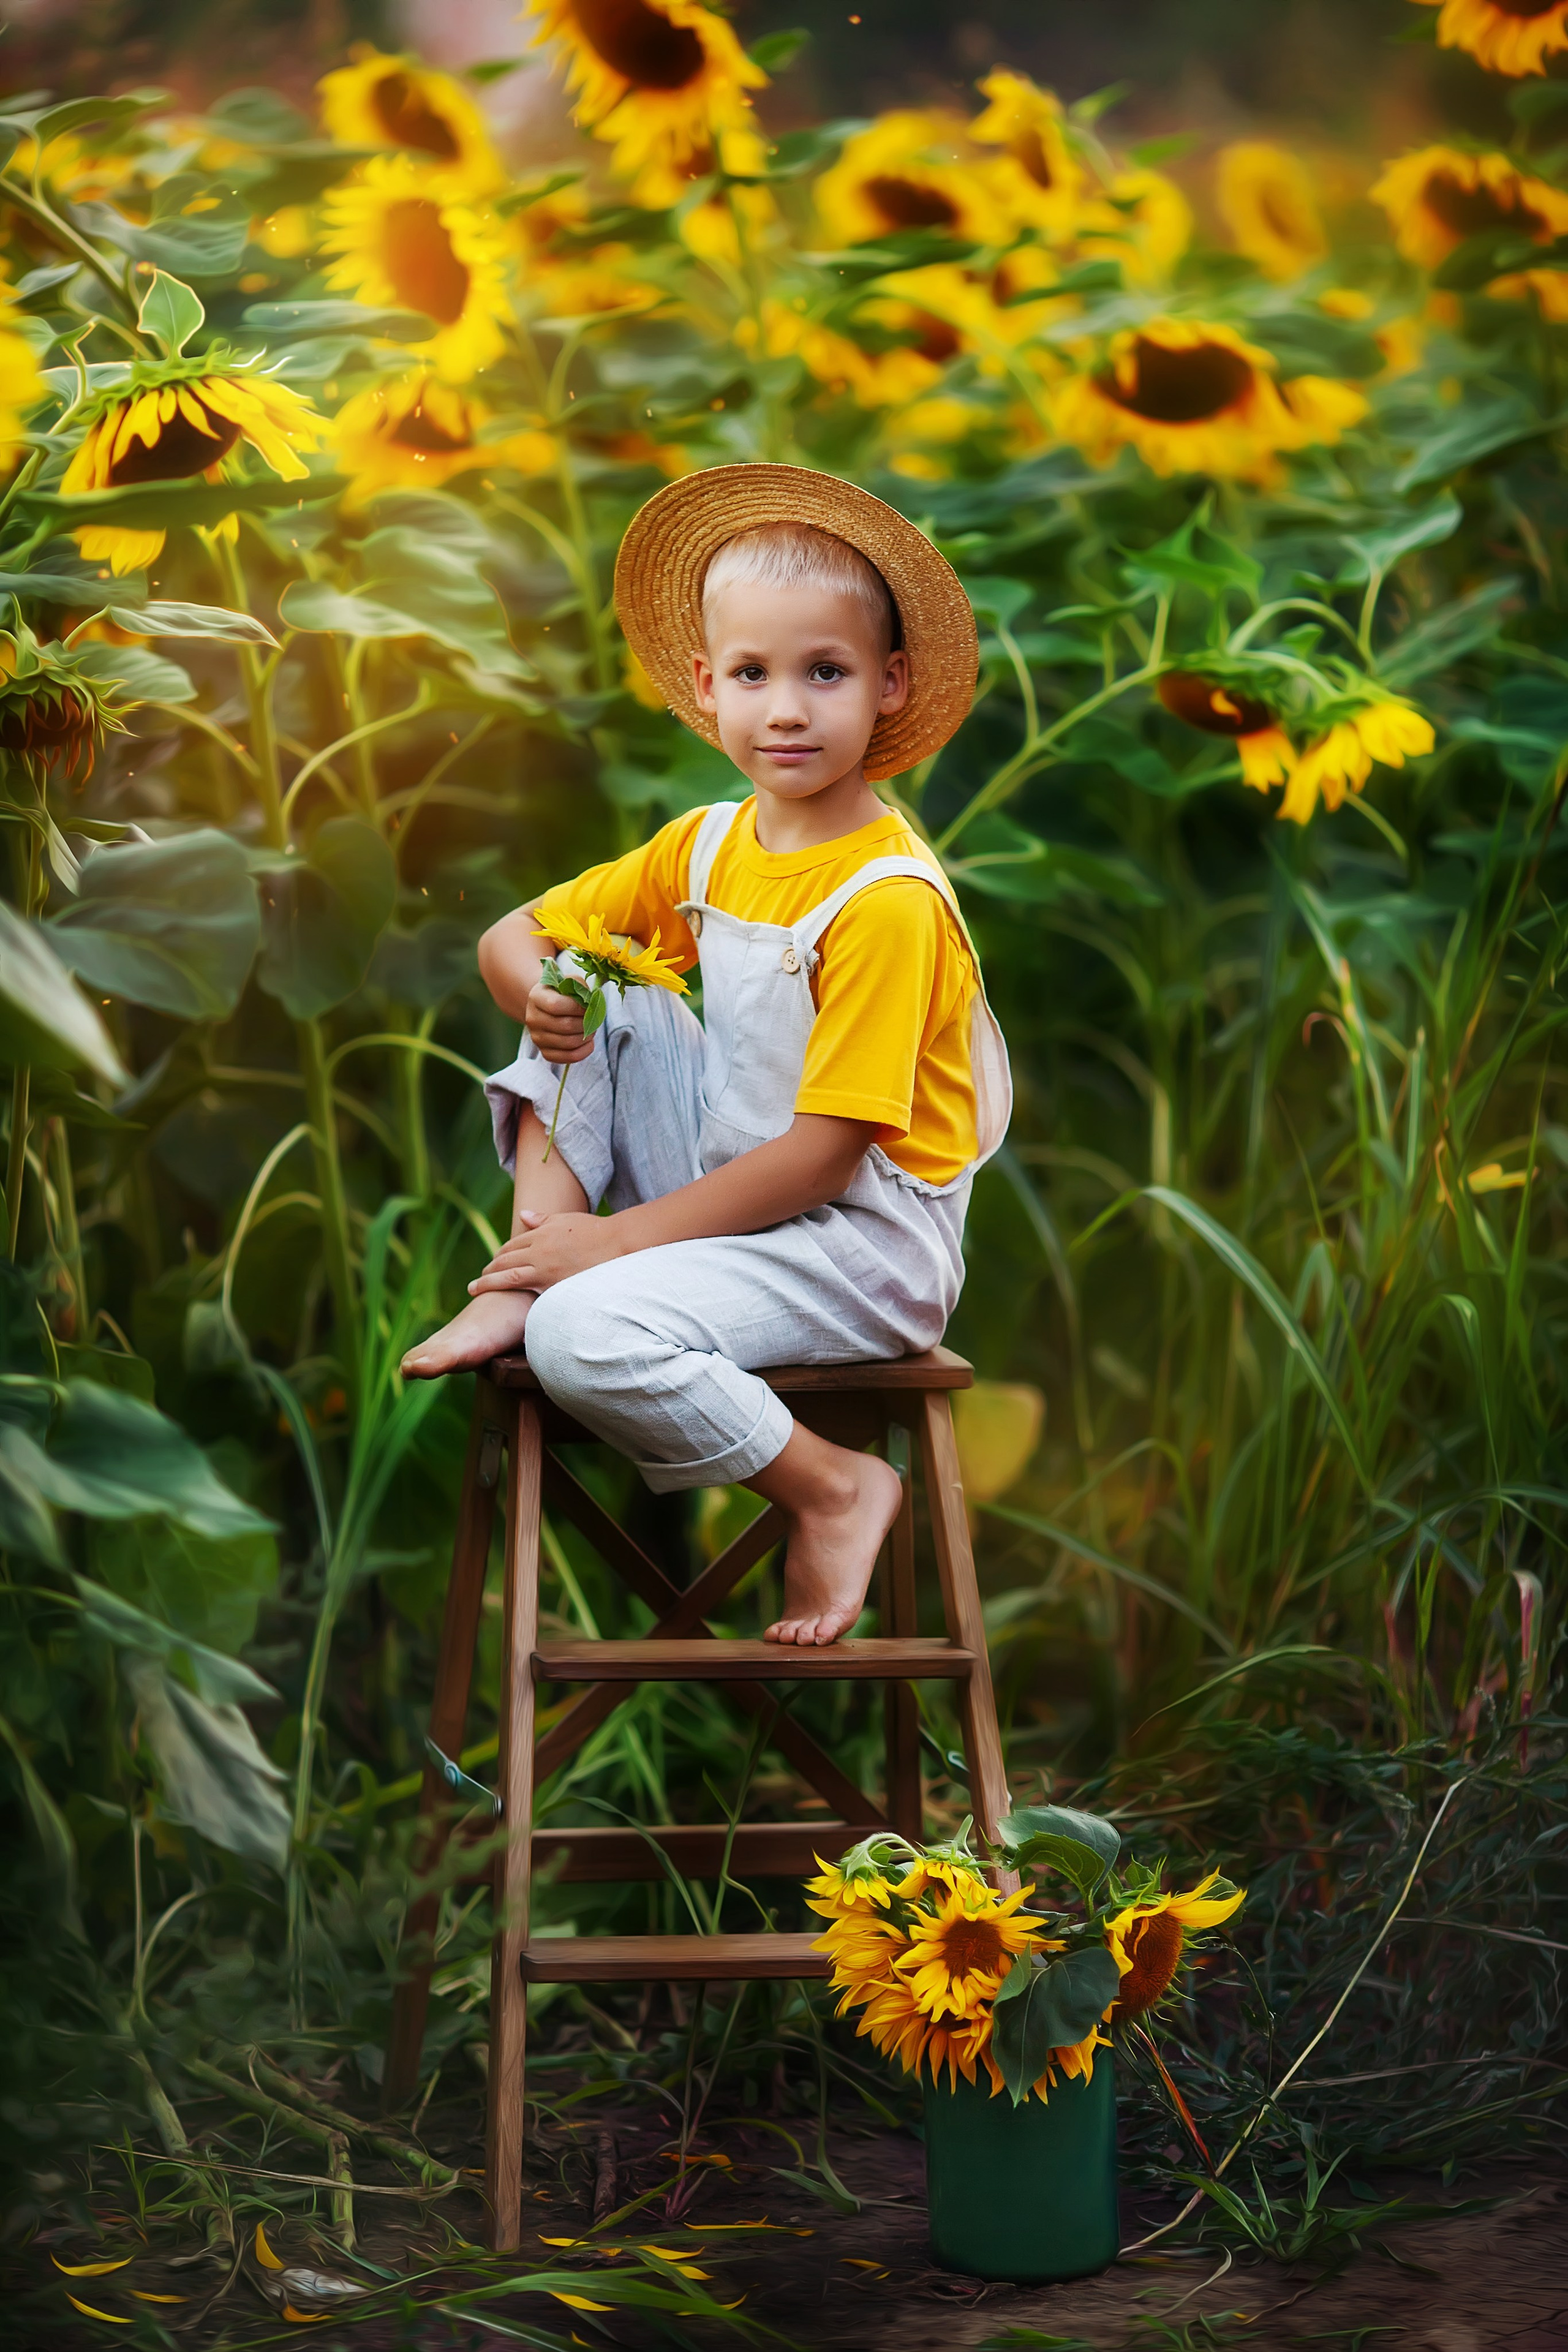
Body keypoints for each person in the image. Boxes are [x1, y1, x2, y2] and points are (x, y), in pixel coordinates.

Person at [403, 463, 1010, 1646]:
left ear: (890, 685)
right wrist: (545, 999)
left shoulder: (887, 903)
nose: (786, 709)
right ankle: (530, 1266)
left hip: (861, 1243)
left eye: (825, 672)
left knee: (591, 1338)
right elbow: (512, 939)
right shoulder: (711, 842)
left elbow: (829, 1158)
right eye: (753, 674)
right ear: (706, 684)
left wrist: (614, 1245)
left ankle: (832, 1486)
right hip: (739, 1191)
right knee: (588, 968)